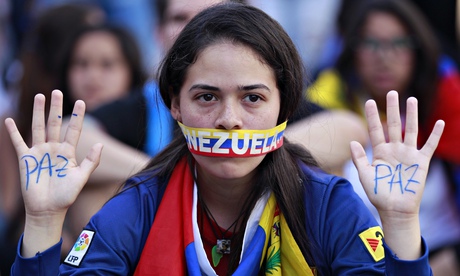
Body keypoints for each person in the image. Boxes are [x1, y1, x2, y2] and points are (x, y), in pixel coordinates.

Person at [7, 2, 444, 274]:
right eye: (207, 97)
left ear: (286, 109)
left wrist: (402, 226)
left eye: (252, 98)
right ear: (175, 106)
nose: (229, 120)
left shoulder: (328, 203)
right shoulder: (139, 204)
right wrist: (44, 223)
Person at [308, 0, 460, 274]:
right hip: (358, 263)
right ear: (352, 49)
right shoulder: (320, 106)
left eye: (398, 43)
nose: (384, 56)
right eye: (371, 43)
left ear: (418, 49)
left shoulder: (447, 104)